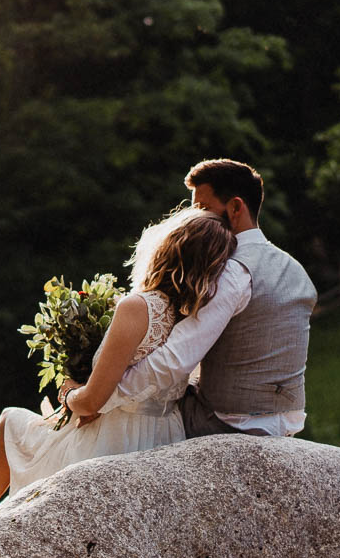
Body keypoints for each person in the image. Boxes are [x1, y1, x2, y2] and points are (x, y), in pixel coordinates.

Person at [0, 207, 236, 546]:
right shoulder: (200, 319)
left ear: (168, 248)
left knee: (11, 422)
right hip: (166, 436)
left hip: (116, 440)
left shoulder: (139, 307)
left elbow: (92, 402)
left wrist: (68, 390)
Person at [112, 158, 317, 438]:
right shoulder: (296, 269)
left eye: (202, 209)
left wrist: (103, 395)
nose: (194, 219)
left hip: (226, 423)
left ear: (235, 208)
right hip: (287, 422)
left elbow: (175, 359)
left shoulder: (231, 272)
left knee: (145, 412)